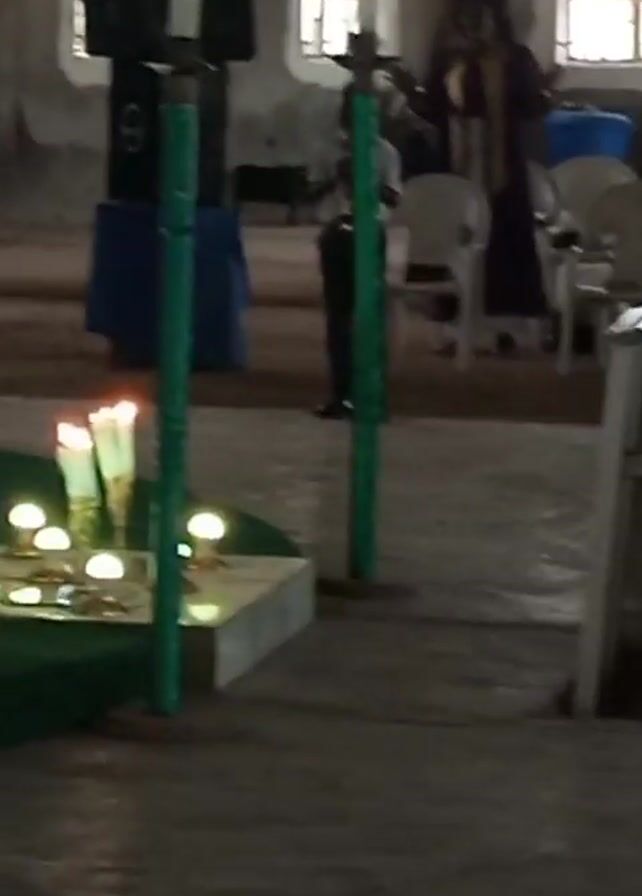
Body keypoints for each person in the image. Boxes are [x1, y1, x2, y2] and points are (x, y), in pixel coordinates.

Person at [424, 0, 549, 351]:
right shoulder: (449, 59)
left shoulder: (515, 58)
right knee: (458, 240)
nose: (476, 25)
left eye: (482, 17)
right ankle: (455, 327)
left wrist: (544, 94)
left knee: (504, 242)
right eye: (469, 17)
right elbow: (434, 106)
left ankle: (506, 328)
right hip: (459, 162)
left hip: (501, 165)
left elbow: (529, 106)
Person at [309, 127, 402, 419]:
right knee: (338, 317)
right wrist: (336, 177)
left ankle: (372, 395)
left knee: (371, 314)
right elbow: (309, 193)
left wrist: (367, 178)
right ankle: (341, 394)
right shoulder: (326, 148)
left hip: (370, 227)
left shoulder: (385, 152)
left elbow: (394, 197)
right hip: (337, 229)